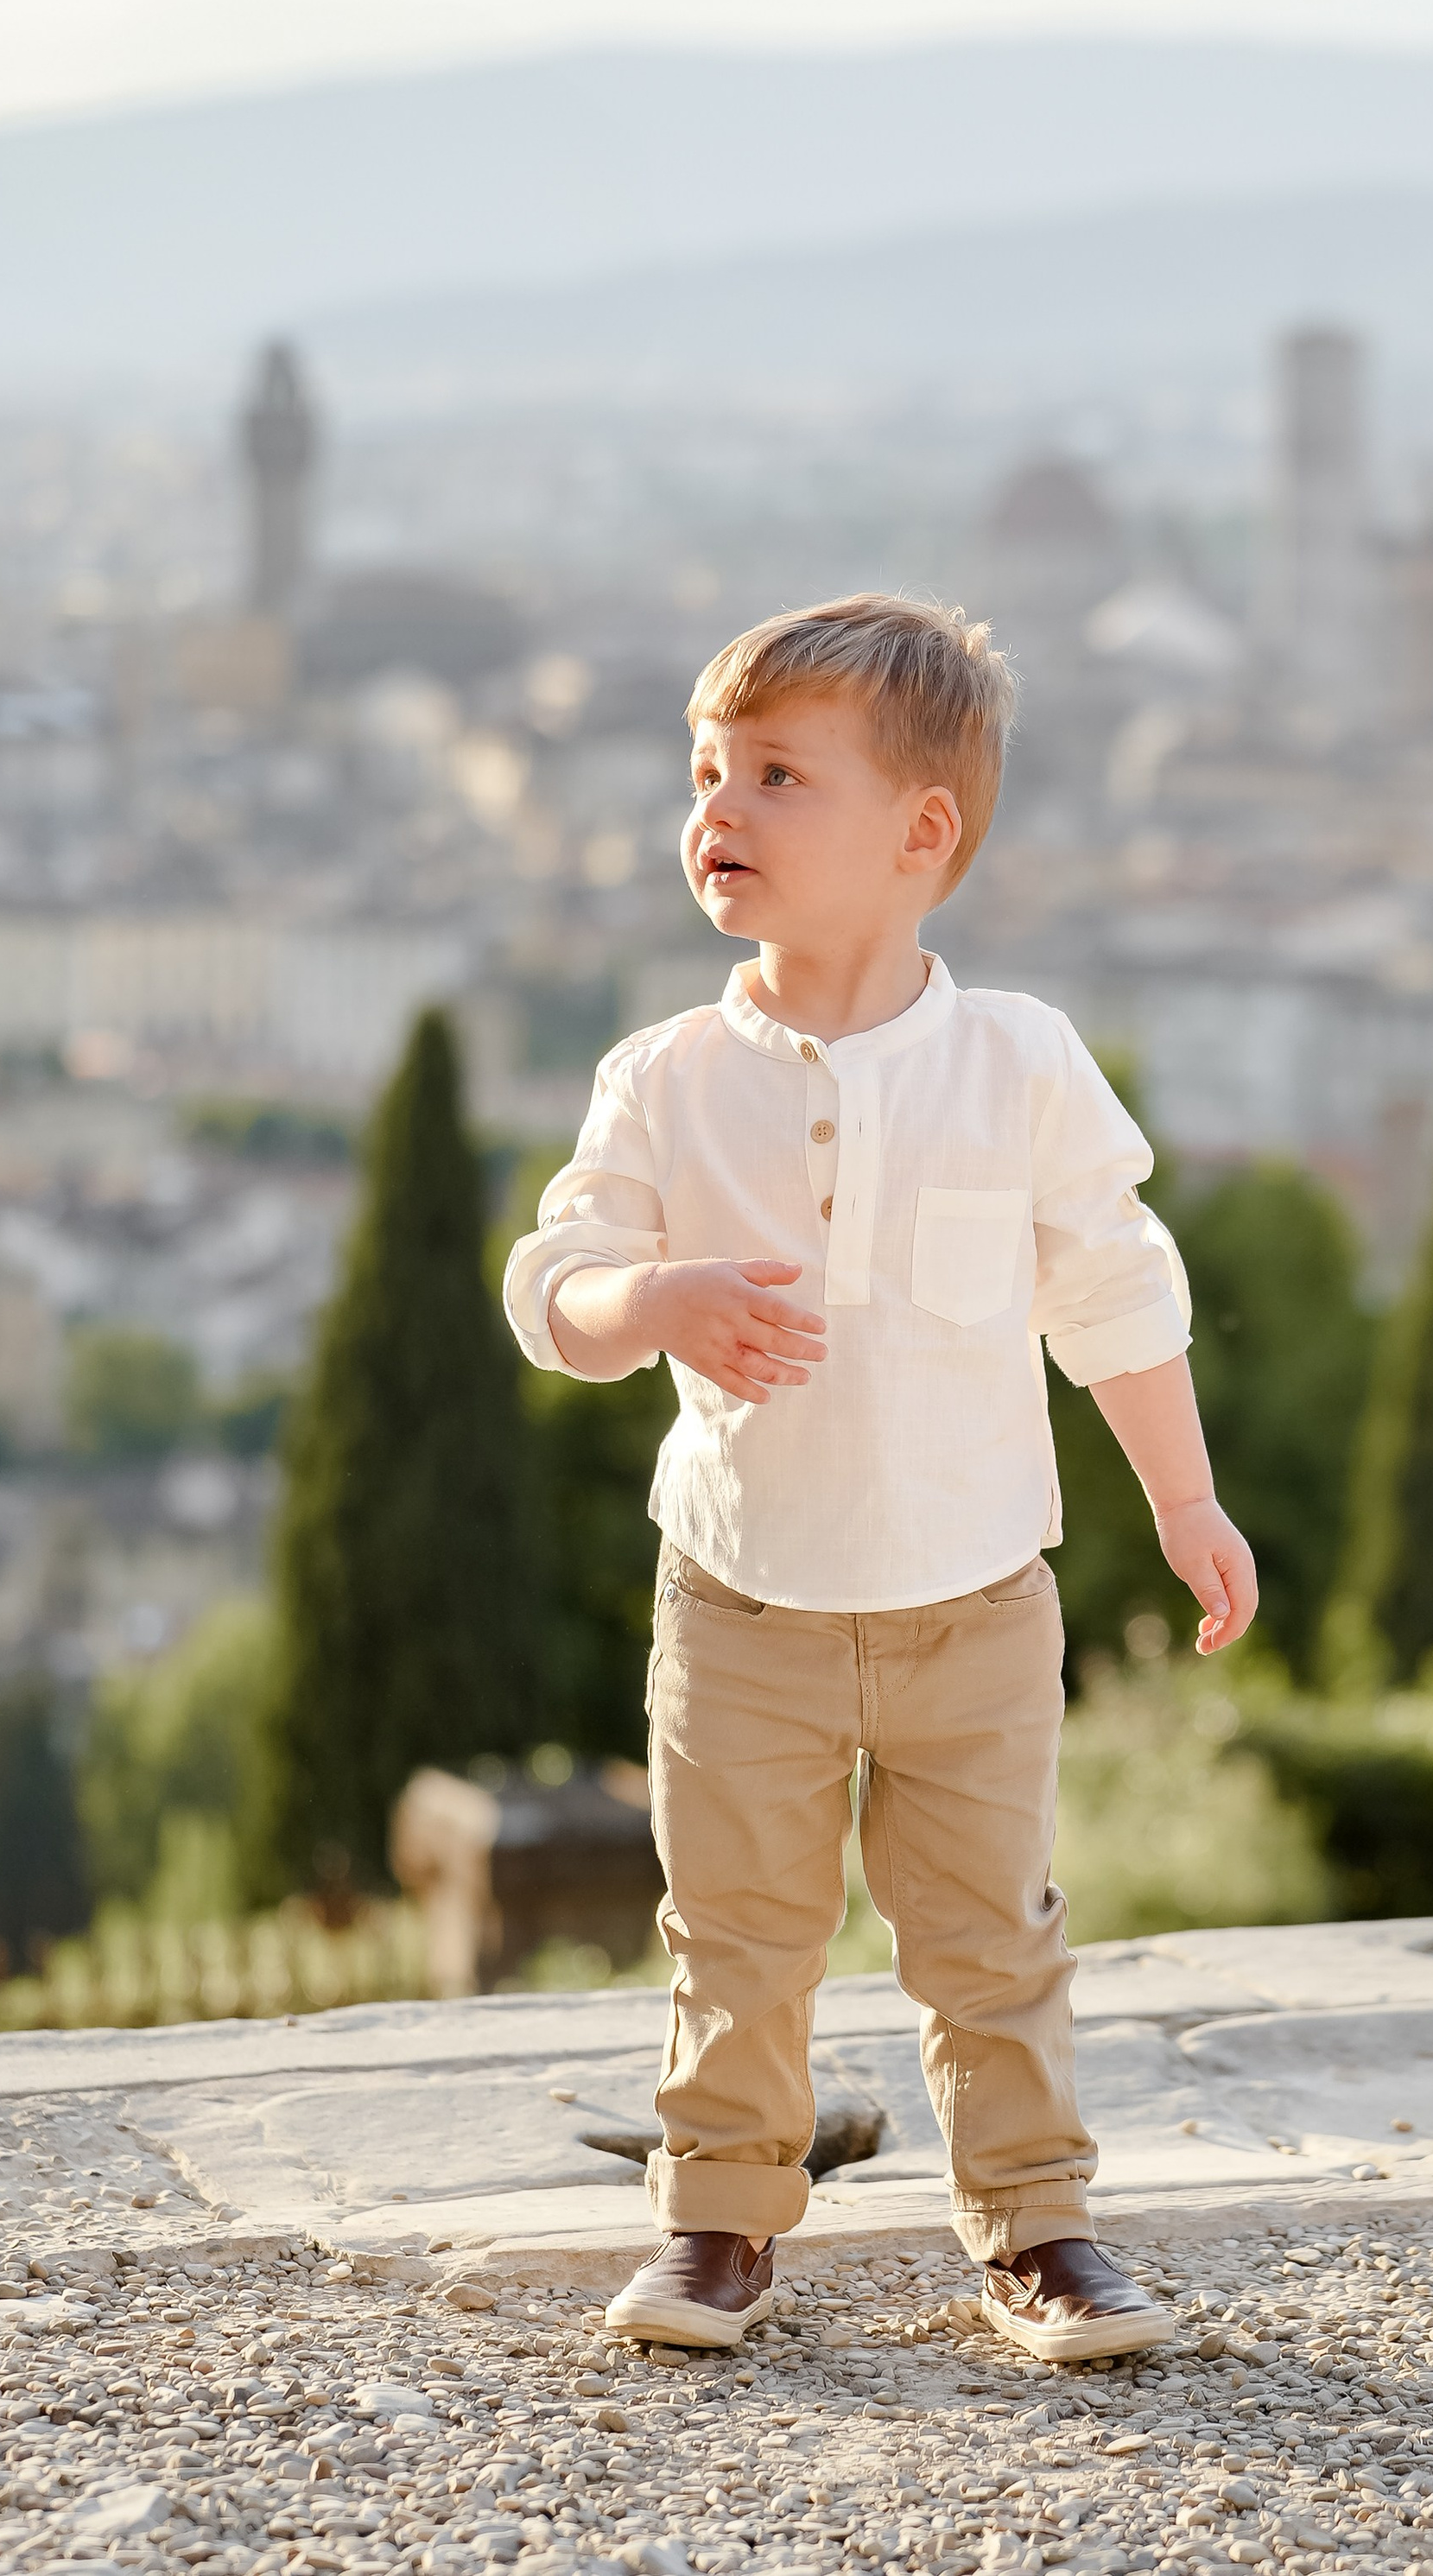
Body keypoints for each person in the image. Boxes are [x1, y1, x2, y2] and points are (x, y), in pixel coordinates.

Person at [503, 592, 1259, 2363]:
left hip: (977, 1595)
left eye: (776, 773)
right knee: (737, 1933)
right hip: (741, 1596)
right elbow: (553, 1284)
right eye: (705, 771)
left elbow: (1115, 1289)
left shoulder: (1019, 1060)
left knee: (992, 1937)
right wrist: (650, 1299)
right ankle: (716, 2220)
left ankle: (1037, 2228)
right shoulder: (665, 1076)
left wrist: (1184, 1500)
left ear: (923, 833)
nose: (719, 807)